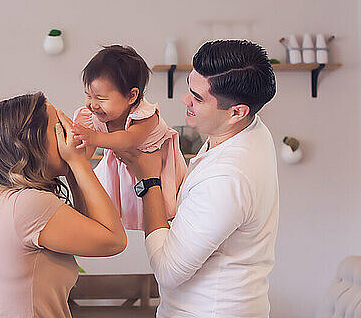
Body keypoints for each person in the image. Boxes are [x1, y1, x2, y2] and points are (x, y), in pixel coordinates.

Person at [117, 39, 279, 318]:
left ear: (236, 112)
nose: (185, 100)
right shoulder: (250, 129)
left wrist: (149, 180)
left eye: (198, 98)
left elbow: (168, 271)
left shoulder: (227, 178)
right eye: (189, 89)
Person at [0, 92, 126, 318]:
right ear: (32, 142)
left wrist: (76, 165)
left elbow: (93, 230)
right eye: (58, 128)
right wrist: (79, 162)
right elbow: (113, 241)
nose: (69, 133)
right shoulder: (27, 205)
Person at [72, 45, 187, 230]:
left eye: (100, 98)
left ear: (131, 96)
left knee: (160, 210)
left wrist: (93, 137)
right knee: (111, 203)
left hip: (158, 167)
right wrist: (80, 146)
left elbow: (129, 141)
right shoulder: (95, 117)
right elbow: (86, 154)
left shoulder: (145, 115)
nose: (92, 104)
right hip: (123, 168)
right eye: (88, 95)